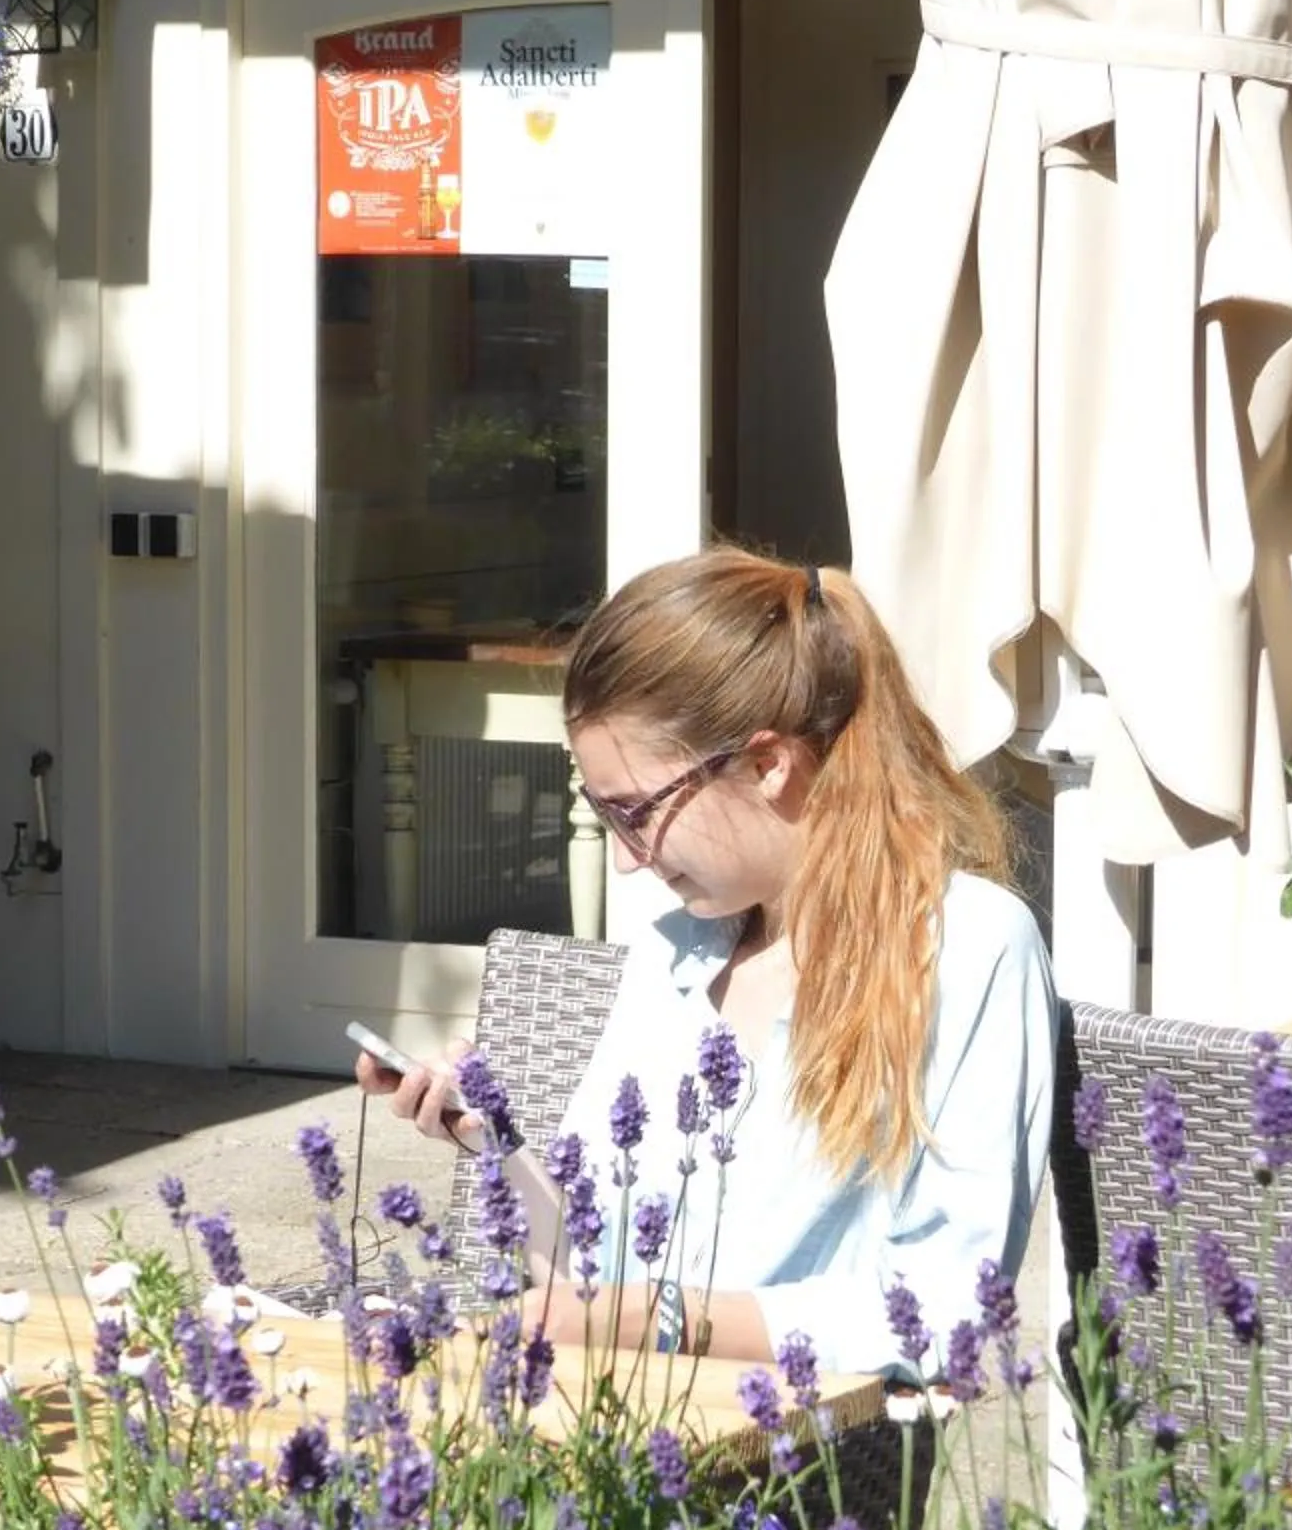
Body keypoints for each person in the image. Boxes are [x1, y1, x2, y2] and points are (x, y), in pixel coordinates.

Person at [359, 545, 1056, 1377]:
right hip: (618, 1433)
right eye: (602, 814)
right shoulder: (677, 953)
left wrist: (660, 1319)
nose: (625, 860)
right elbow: (588, 1275)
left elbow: (950, 1309)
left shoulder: (964, 947)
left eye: (635, 812)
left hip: (794, 1466)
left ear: (768, 765)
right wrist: (494, 1143)